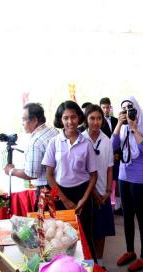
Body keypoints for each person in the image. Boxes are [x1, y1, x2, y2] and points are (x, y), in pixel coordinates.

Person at [42, 100, 98, 261]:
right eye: (65, 118)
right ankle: (66, 271)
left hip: (82, 194)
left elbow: (93, 175)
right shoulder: (54, 142)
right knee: (61, 237)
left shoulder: (86, 143)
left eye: (73, 117)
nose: (70, 122)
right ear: (60, 120)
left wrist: (84, 199)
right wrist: (65, 200)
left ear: (79, 117)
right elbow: (49, 175)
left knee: (85, 236)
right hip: (60, 195)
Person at [112, 96, 143, 272]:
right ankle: (130, 251)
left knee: (141, 216)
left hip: (139, 176)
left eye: (130, 108)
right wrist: (119, 124)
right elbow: (113, 146)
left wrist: (134, 128)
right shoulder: (121, 126)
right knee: (127, 216)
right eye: (124, 109)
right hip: (123, 174)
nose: (128, 112)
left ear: (136, 108)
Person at [4, 103, 58, 207]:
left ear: (34, 120)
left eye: (24, 119)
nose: (22, 123)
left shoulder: (36, 141)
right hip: (58, 185)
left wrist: (11, 171)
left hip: (46, 190)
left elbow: (32, 174)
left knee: (46, 217)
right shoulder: (53, 131)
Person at [82, 104, 115, 266]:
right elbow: (82, 171)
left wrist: (108, 191)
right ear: (86, 120)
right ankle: (88, 268)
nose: (96, 122)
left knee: (101, 232)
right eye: (92, 118)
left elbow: (109, 168)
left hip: (103, 194)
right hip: (86, 195)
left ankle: (99, 265)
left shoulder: (107, 141)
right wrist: (93, 193)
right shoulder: (81, 139)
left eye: (99, 118)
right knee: (86, 233)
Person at [100, 97, 122, 215]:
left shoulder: (116, 120)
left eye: (107, 107)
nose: (106, 110)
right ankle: (107, 206)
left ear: (110, 107)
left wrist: (117, 154)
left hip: (117, 156)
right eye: (103, 107)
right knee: (106, 182)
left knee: (117, 181)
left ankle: (117, 207)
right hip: (104, 157)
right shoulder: (98, 121)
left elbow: (120, 139)